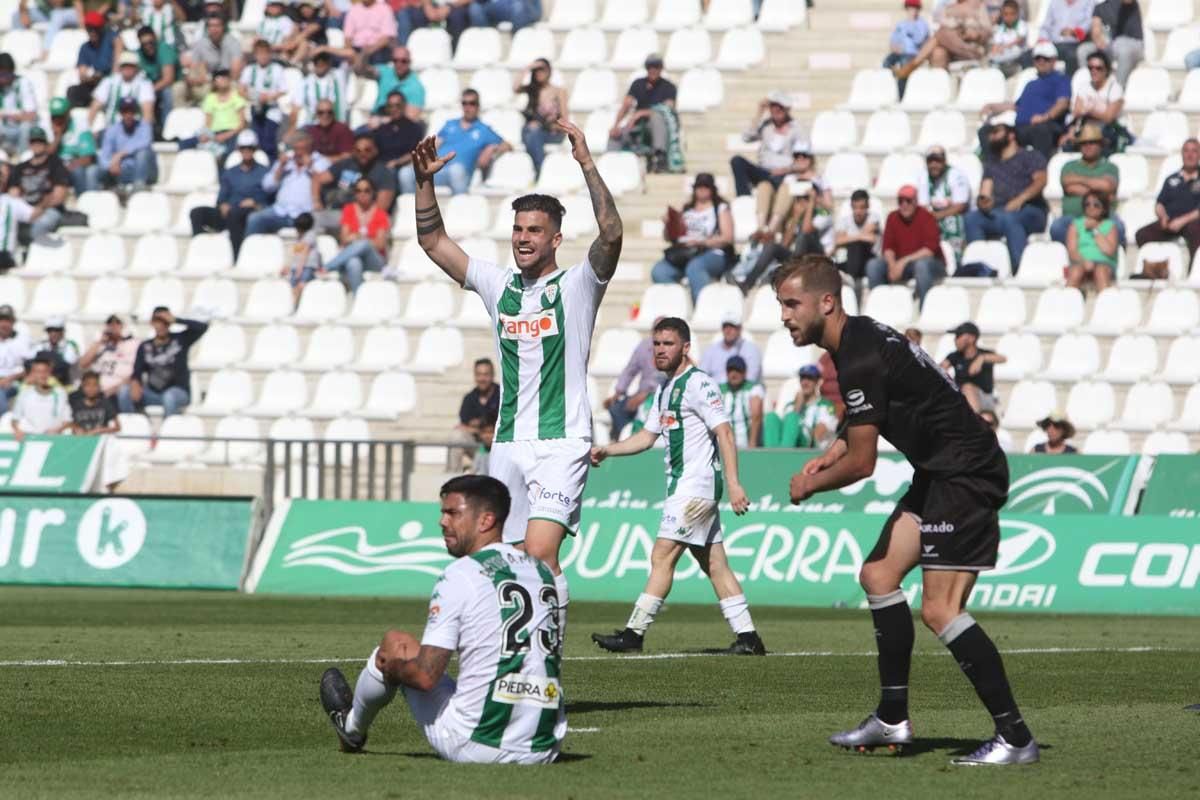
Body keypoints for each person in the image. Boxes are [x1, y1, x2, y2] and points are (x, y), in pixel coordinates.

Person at [777, 254, 1038, 766]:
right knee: (878, 574)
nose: (784, 315)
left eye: (791, 303)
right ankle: (892, 717)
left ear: (826, 302)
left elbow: (863, 463)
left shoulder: (858, 356)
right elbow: (865, 416)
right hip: (940, 471)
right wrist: (830, 452)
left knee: (940, 609)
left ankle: (1015, 737)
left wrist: (812, 485)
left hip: (963, 474)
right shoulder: (863, 337)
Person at [410, 117, 623, 639]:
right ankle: (514, 655)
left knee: (542, 552)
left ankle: (545, 665)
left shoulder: (577, 285)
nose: (523, 239)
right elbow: (432, 240)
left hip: (562, 441)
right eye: (518, 230)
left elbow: (612, 233)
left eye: (534, 231)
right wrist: (423, 182)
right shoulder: (496, 283)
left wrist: (588, 164)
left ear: (555, 238)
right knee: (503, 559)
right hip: (508, 442)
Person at [318, 475, 566, 763]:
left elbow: (425, 677)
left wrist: (395, 669)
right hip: (544, 747)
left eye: (453, 513)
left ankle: (351, 729)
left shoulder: (461, 573)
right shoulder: (541, 571)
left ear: (485, 521)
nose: (442, 522)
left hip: (478, 745)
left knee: (394, 645)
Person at [590, 317, 762, 655]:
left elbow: (724, 432)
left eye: (668, 344)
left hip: (694, 488)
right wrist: (608, 449)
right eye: (656, 344)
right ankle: (749, 638)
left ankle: (634, 633)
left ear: (685, 348)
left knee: (662, 555)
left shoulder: (699, 384)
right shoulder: (665, 389)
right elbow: (645, 437)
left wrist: (734, 483)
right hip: (684, 487)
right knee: (716, 565)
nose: (660, 350)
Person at [964, 113, 1049, 272]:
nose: (992, 136)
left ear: (1011, 135)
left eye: (997, 131)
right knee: (972, 219)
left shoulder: (1029, 156)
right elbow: (986, 191)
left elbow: (1041, 181)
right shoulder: (992, 164)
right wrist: (984, 202)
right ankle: (979, 267)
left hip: (1030, 210)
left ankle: (1019, 268)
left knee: (1011, 220)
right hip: (1000, 212)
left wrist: (1020, 200)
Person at [650, 173, 735, 304]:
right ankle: (680, 304)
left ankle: (703, 306)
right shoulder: (686, 209)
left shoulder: (720, 208)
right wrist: (667, 224)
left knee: (695, 267)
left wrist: (703, 242)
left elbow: (728, 238)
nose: (702, 189)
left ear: (712, 189)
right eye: (699, 186)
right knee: (659, 271)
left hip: (712, 251)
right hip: (685, 252)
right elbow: (669, 238)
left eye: (706, 186)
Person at [979, 41, 1071, 159]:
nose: (1041, 61)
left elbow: (1062, 104)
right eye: (1038, 58)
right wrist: (992, 106)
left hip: (1045, 126)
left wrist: (1045, 117)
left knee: (1041, 130)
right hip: (1020, 129)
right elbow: (1016, 106)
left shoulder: (1061, 80)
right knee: (986, 131)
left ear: (1053, 60)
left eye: (1045, 58)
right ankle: (993, 168)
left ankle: (1040, 170)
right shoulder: (1030, 83)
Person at [406, 90, 508, 196]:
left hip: (461, 173)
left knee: (456, 170)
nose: (467, 107)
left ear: (478, 105)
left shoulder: (484, 130)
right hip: (438, 169)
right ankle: (412, 208)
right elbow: (435, 145)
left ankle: (460, 206)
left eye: (472, 103)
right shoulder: (450, 124)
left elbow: (507, 145)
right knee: (405, 173)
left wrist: (492, 148)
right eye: (464, 103)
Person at [190, 129, 270, 257]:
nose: (247, 150)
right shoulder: (230, 172)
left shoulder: (264, 172)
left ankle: (236, 256)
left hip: (248, 213)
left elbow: (268, 196)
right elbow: (222, 196)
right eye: (243, 147)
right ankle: (199, 251)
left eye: (250, 147)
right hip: (229, 212)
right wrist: (222, 204)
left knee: (235, 214)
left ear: (255, 149)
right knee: (197, 213)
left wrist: (255, 202)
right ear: (239, 149)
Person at [731, 91, 806, 225]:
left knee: (776, 185)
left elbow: (805, 160)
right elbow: (746, 137)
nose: (776, 110)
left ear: (787, 109)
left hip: (784, 173)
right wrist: (759, 112)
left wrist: (786, 170)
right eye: (773, 107)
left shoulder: (797, 129)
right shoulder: (766, 125)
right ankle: (744, 200)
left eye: (780, 107)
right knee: (737, 161)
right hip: (764, 171)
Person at [119, 307, 208, 417]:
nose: (161, 325)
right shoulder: (145, 346)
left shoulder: (181, 339)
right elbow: (137, 371)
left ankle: (168, 432)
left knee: (169, 397)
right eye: (157, 321)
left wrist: (176, 320)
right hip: (153, 393)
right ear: (152, 323)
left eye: (165, 321)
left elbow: (203, 327)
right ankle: (135, 427)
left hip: (178, 392)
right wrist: (135, 383)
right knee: (125, 392)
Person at [739, 180, 825, 292]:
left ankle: (789, 271)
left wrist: (811, 204)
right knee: (771, 247)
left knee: (804, 236)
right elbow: (785, 244)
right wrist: (795, 217)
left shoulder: (823, 214)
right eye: (799, 199)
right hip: (798, 258)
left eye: (806, 199)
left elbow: (806, 229)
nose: (802, 203)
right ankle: (747, 283)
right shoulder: (798, 218)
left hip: (816, 258)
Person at [867, 185, 945, 306]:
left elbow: (929, 250)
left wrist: (902, 262)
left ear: (916, 201)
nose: (904, 204)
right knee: (873, 265)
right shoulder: (892, 217)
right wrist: (893, 265)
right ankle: (879, 309)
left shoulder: (927, 217)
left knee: (922, 266)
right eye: (900, 201)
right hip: (903, 265)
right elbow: (888, 247)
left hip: (931, 264)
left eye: (908, 201)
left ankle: (924, 310)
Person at [245, 131, 330, 237]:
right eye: (296, 149)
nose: (299, 153)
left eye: (302, 149)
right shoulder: (286, 161)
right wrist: (280, 168)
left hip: (305, 213)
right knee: (255, 219)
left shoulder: (320, 161)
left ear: (310, 148)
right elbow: (267, 186)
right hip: (280, 211)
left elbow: (326, 180)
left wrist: (310, 167)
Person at [1050, 124, 1121, 244]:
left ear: (1100, 145)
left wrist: (1078, 180)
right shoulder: (1069, 166)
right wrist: (1099, 190)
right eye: (1084, 143)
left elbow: (1108, 186)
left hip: (1104, 218)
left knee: (1118, 228)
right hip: (1072, 217)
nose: (1088, 146)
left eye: (1092, 142)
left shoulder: (1110, 167)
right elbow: (1068, 185)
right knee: (1057, 228)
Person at [608, 54, 678, 174]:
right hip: (638, 124)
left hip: (657, 125)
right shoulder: (638, 84)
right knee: (615, 134)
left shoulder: (669, 87)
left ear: (661, 68)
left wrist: (640, 113)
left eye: (656, 66)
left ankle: (660, 156)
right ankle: (609, 162)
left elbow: (668, 108)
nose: (653, 70)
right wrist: (616, 125)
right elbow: (626, 105)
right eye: (649, 66)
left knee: (657, 118)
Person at [1135, 138, 1200, 262]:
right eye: (1186, 151)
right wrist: (1163, 217)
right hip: (1170, 221)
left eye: (1194, 151)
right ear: (1181, 154)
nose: (1190, 155)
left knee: (1196, 231)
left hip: (1193, 222)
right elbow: (1159, 203)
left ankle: (1194, 274)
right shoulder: (1171, 179)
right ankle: (1154, 269)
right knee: (1142, 235)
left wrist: (1182, 221)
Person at [317, 133, 397, 232]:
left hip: (368, 216)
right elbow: (317, 179)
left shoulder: (384, 173)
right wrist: (316, 201)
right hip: (341, 214)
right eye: (358, 150)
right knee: (315, 217)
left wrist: (356, 219)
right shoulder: (345, 164)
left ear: (375, 151)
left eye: (367, 150)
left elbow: (381, 208)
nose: (362, 154)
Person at [893, 0, 992, 80]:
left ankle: (912, 66)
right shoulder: (949, 8)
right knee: (938, 52)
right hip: (951, 48)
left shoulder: (978, 5)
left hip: (971, 49)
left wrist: (976, 35)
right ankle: (940, 90)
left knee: (940, 33)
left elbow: (988, 31)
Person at [325, 178, 390, 294]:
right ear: (354, 193)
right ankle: (358, 299)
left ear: (373, 192)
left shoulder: (381, 214)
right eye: (358, 190)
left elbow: (380, 244)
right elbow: (344, 239)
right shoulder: (348, 210)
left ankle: (328, 266)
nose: (362, 194)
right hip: (353, 256)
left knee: (363, 244)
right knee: (353, 262)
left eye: (366, 190)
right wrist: (363, 240)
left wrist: (358, 238)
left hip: (375, 260)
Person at [10, 126, 72, 244]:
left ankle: (33, 258)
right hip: (25, 209)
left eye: (40, 141)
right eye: (33, 141)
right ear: (29, 144)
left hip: (49, 209)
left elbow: (59, 196)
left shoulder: (55, 164)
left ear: (46, 143)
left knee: (38, 226)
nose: (36, 144)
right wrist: (26, 211)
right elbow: (14, 194)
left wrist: (40, 208)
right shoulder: (20, 167)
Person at [605, 325, 663, 438]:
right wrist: (618, 392)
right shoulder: (644, 346)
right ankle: (622, 440)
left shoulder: (672, 349)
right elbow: (630, 370)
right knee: (616, 408)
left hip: (663, 394)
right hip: (641, 393)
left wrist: (647, 394)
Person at [763, 363, 839, 448]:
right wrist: (797, 408)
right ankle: (772, 456)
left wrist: (795, 416)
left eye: (810, 378)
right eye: (802, 378)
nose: (805, 382)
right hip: (791, 444)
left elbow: (818, 435)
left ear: (818, 381)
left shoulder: (825, 406)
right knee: (771, 417)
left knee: (792, 417)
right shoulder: (790, 406)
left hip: (810, 447)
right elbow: (783, 432)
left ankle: (782, 456)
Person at [516, 59, 567, 178]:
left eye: (542, 69)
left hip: (553, 132)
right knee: (530, 131)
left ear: (549, 71)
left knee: (532, 132)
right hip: (533, 132)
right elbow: (515, 87)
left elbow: (565, 121)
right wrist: (528, 68)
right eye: (536, 70)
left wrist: (543, 125)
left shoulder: (559, 91)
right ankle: (537, 170)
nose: (539, 73)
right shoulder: (532, 90)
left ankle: (539, 170)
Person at [93, 97, 158, 191]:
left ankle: (138, 187)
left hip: (145, 171)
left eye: (131, 111)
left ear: (135, 112)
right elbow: (105, 155)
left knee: (143, 153)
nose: (128, 115)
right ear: (120, 112)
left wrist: (120, 154)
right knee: (97, 168)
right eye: (125, 111)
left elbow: (145, 143)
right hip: (122, 170)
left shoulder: (144, 126)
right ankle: (112, 190)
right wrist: (111, 165)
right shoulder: (112, 130)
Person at [1065, 50, 1125, 149]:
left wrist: (1089, 111)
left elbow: (1109, 117)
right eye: (1091, 68)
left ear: (1106, 70)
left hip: (1106, 131)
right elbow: (1076, 112)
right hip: (1085, 130)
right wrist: (1096, 112)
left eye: (1098, 68)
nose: (1094, 71)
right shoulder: (1084, 87)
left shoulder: (1115, 89)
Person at [918, 146, 971, 259]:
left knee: (952, 222)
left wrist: (936, 216)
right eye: (930, 161)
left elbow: (960, 205)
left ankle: (957, 260)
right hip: (933, 216)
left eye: (937, 161)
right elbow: (923, 205)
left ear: (944, 161)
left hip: (956, 216)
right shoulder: (923, 176)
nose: (934, 165)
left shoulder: (956, 175)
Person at [940, 322, 1005, 413]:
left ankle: (974, 422)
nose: (955, 340)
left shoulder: (984, 353)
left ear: (971, 338)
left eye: (958, 336)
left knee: (967, 387)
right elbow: (940, 369)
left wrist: (982, 358)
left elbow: (1003, 359)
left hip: (985, 400)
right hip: (962, 398)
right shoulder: (954, 356)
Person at [240, 39, 287, 160]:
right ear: (255, 55)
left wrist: (268, 97)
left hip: (272, 110)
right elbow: (241, 89)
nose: (263, 56)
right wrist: (252, 97)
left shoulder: (277, 69)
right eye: (259, 53)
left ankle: (272, 165)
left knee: (268, 141)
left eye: (265, 53)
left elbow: (283, 90)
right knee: (257, 141)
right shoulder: (249, 69)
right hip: (256, 109)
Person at [319, 0, 397, 70]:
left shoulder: (385, 9)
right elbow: (348, 37)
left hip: (377, 49)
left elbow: (387, 37)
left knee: (372, 58)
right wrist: (350, 51)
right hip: (357, 48)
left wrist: (368, 51)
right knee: (339, 58)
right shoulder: (354, 10)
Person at [89, 51, 156, 129]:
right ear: (120, 67)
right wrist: (88, 129)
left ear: (137, 68)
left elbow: (147, 112)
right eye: (125, 65)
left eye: (131, 66)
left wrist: (144, 134)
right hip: (111, 129)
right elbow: (95, 106)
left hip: (135, 131)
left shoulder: (145, 84)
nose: (127, 68)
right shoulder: (109, 82)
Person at [1066, 189, 1118, 290]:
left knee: (1100, 271)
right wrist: (1084, 261)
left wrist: (1095, 230)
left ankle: (1105, 303)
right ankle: (1065, 303)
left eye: (1096, 205)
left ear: (1103, 208)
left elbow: (1109, 251)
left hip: (1104, 263)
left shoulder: (1110, 226)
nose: (1091, 207)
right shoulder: (1075, 225)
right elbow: (1072, 251)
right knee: (1076, 272)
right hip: (1081, 261)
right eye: (1087, 204)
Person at [10, 355, 71, 440]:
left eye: (45, 371)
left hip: (55, 439)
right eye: (38, 372)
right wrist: (17, 430)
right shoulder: (24, 394)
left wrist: (57, 430)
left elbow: (68, 420)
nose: (42, 375)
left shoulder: (60, 393)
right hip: (30, 438)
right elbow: (15, 419)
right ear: (33, 373)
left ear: (50, 373)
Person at [182, 14, 243, 98]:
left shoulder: (233, 43)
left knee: (235, 88)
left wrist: (222, 82)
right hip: (207, 81)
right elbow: (194, 68)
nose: (214, 29)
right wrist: (198, 78)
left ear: (223, 27)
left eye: (217, 26)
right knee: (180, 88)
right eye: (211, 26)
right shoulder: (201, 44)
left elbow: (235, 73)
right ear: (207, 28)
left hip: (228, 81)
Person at [78, 314, 139, 399]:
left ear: (124, 326)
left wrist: (115, 389)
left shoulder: (133, 344)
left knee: (123, 393)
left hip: (119, 390)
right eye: (110, 323)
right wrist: (100, 342)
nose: (113, 327)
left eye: (117, 323)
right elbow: (82, 363)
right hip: (97, 390)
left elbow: (135, 373)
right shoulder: (102, 345)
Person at [49, 96, 98, 196]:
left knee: (79, 171)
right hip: (53, 166)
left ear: (68, 114)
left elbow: (88, 158)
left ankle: (82, 201)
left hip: (73, 165)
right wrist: (57, 137)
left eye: (61, 116)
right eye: (54, 117)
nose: (57, 120)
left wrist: (68, 166)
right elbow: (45, 156)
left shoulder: (81, 126)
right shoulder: (45, 126)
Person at [67, 12, 118, 109]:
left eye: (96, 28)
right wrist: (91, 78)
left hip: (112, 82)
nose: (92, 32)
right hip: (95, 84)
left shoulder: (111, 39)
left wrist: (110, 74)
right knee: (73, 91)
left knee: (108, 88)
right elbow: (82, 74)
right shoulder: (85, 48)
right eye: (89, 29)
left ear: (102, 28)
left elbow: (119, 53)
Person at [135, 25, 178, 139]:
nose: (148, 46)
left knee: (167, 93)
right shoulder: (138, 54)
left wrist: (149, 90)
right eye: (144, 44)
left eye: (150, 42)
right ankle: (145, 130)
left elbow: (168, 79)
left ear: (155, 39)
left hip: (168, 86)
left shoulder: (164, 49)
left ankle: (166, 131)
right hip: (150, 88)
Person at [1031, 0, 1096, 74]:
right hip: (1054, 44)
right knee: (1028, 55)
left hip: (1075, 44)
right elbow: (1045, 26)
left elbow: (1089, 23)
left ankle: (1068, 83)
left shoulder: (1088, 2)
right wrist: (1043, 39)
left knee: (1071, 57)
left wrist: (1074, 32)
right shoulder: (1054, 2)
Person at [831, 189, 882, 282]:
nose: (858, 212)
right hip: (852, 261)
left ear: (868, 207)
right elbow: (838, 241)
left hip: (870, 261)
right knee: (830, 267)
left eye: (862, 208)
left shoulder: (874, 217)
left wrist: (848, 238)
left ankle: (851, 277)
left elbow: (871, 239)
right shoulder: (845, 220)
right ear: (851, 207)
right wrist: (859, 236)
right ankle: (851, 276)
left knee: (857, 245)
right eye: (855, 207)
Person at [699, 312, 763, 384]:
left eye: (732, 326)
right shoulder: (710, 350)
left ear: (740, 329)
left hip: (742, 392)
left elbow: (751, 380)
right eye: (725, 326)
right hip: (714, 392)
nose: (728, 330)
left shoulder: (751, 350)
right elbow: (702, 376)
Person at [290, 51, 349, 128]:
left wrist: (323, 48)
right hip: (312, 125)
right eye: (317, 63)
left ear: (329, 64)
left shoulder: (339, 76)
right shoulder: (306, 82)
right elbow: (296, 107)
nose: (319, 65)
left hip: (336, 124)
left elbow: (350, 54)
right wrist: (292, 128)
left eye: (323, 63)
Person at [365, 46, 425, 121]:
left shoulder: (416, 87)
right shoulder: (385, 72)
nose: (399, 64)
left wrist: (381, 121)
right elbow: (360, 71)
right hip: (375, 119)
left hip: (396, 127)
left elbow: (411, 119)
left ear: (410, 62)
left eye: (403, 61)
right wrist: (365, 53)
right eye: (395, 60)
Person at [372, 91, 425, 177]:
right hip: (381, 166)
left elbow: (415, 153)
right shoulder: (381, 129)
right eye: (390, 106)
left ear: (404, 106)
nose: (394, 109)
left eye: (398, 105)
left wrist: (396, 163)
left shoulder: (414, 128)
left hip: (402, 167)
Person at [884, 0, 931, 95]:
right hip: (899, 53)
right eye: (910, 8)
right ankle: (889, 91)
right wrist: (895, 47)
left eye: (915, 8)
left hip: (913, 55)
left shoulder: (922, 24)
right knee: (886, 63)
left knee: (903, 67)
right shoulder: (901, 24)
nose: (913, 11)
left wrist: (911, 28)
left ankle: (901, 95)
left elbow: (920, 40)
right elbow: (893, 40)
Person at [719, 355, 765, 449]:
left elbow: (756, 415)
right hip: (724, 445)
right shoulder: (718, 390)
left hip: (745, 444)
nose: (734, 374)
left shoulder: (754, 388)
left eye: (738, 370)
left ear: (745, 373)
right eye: (730, 370)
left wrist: (752, 445)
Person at [0, 53, 38, 156]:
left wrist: (7, 115)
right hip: (4, 132)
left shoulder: (23, 83)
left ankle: (22, 159)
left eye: (5, 75)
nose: (2, 79)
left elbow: (31, 115)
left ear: (12, 72)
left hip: (19, 131)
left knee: (26, 126)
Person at [455, 358, 500, 445]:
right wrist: (480, 433)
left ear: (493, 375)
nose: (482, 378)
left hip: (499, 442)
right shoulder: (469, 398)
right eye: (478, 374)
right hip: (476, 444)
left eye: (486, 374)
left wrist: (492, 434)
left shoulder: (503, 396)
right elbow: (463, 426)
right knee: (456, 435)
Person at [282, 211, 322, 307]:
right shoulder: (299, 237)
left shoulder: (310, 235)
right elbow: (294, 253)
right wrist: (287, 266)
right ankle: (292, 305)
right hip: (296, 267)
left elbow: (305, 253)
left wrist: (300, 269)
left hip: (307, 266)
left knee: (301, 285)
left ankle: (295, 306)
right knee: (292, 286)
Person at [0, 304, 34, 415]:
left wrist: (10, 378)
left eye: (7, 320)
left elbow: (30, 367)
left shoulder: (21, 341)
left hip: (13, 382)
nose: (4, 324)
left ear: (13, 322)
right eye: (1, 320)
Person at [69, 370, 120, 437]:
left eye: (95, 385)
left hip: (100, 439)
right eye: (87, 385)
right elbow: (71, 424)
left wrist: (99, 430)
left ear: (99, 387)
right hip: (81, 440)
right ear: (82, 387)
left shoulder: (105, 404)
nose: (91, 388)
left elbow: (117, 427)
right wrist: (76, 429)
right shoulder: (77, 405)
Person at [33, 316, 80, 388]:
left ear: (62, 331)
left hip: (66, 385)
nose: (53, 333)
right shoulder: (41, 345)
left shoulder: (70, 346)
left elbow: (65, 366)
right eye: (50, 330)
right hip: (44, 384)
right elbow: (31, 362)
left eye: (57, 330)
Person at [306, 98, 355, 163]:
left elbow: (347, 157)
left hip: (337, 168)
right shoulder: (312, 131)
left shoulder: (342, 129)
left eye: (329, 112)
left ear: (334, 113)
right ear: (316, 114)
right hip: (316, 168)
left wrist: (321, 160)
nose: (325, 115)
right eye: (321, 112)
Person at [989, 0, 1028, 76]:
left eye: (1012, 14)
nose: (1009, 17)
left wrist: (1004, 47)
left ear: (1017, 14)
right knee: (992, 59)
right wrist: (994, 52)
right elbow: (996, 44)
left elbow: (1019, 39)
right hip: (1005, 56)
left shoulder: (1021, 25)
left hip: (1020, 56)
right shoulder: (1001, 28)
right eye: (1006, 14)